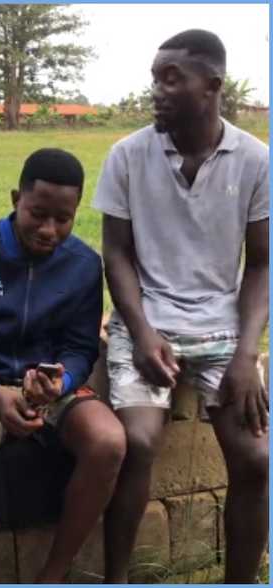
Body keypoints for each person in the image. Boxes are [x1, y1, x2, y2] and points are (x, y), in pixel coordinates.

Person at [95, 29, 269, 584]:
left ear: (213, 86)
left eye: (172, 79)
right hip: (146, 321)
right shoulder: (127, 155)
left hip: (222, 331)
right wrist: (142, 332)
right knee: (137, 443)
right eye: (155, 78)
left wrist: (246, 354)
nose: (158, 90)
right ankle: (117, 578)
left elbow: (261, 265)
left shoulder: (256, 160)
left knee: (258, 458)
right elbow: (116, 254)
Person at [0, 148, 127, 583]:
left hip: (48, 389)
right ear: (16, 198)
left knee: (108, 441)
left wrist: (60, 382)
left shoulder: (83, 265)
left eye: (63, 219)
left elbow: (80, 346)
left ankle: (53, 575)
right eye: (37, 214)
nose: (49, 229)